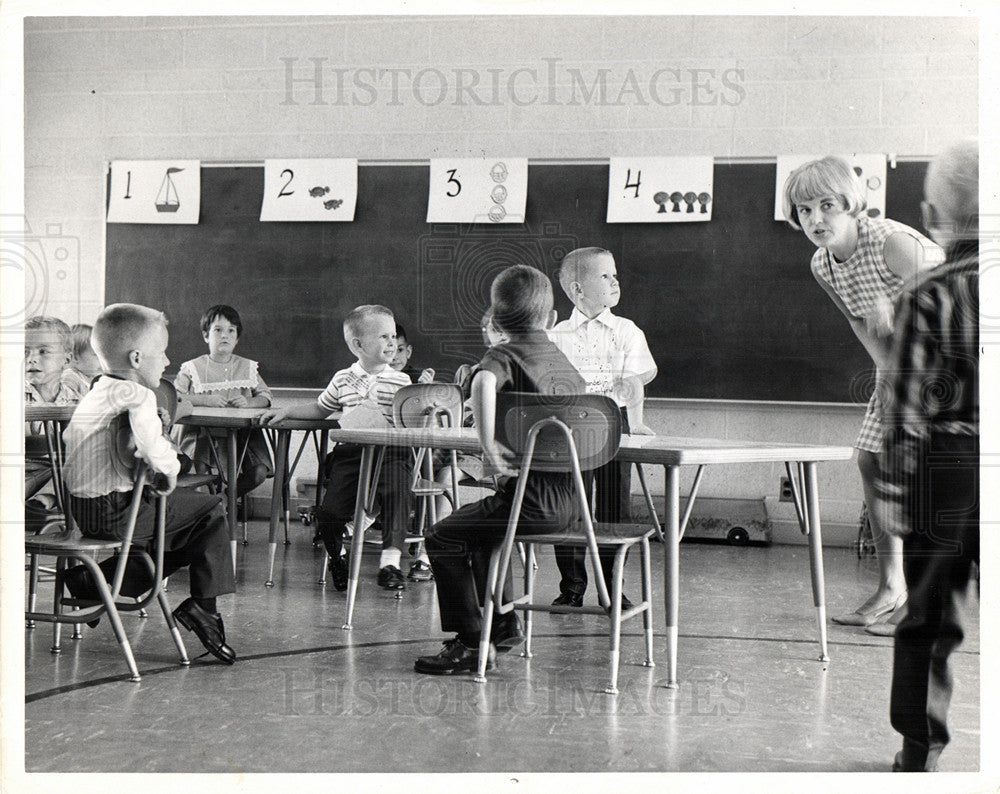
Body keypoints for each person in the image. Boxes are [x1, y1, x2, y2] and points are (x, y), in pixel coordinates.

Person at [782, 156, 944, 634]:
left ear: (851, 205)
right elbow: (858, 321)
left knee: (920, 473)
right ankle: (892, 587)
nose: (815, 219)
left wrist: (897, 311)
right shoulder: (822, 263)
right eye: (804, 210)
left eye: (826, 205)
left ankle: (925, 601)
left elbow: (952, 307)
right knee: (872, 461)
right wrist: (891, 373)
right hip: (901, 365)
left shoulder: (892, 242)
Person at [414, 264, 586, 676]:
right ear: (551, 318)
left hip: (529, 501)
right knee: (483, 535)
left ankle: (471, 643)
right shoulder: (559, 357)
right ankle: (502, 627)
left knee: (441, 534)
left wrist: (489, 443)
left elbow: (482, 382)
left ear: (497, 318)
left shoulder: (504, 353)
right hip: (573, 505)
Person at [877, 140, 979, 772]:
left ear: (929, 211)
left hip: (950, 467)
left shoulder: (928, 291)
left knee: (931, 610)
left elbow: (907, 404)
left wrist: (891, 490)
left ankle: (921, 747)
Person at [61, 304, 236, 664]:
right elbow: (152, 448)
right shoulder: (138, 395)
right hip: (115, 509)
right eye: (163, 353)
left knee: (192, 536)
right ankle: (204, 610)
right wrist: (171, 471)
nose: (168, 360)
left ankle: (93, 583)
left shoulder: (99, 389)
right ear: (138, 357)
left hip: (83, 509)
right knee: (211, 510)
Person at [260, 305, 415, 590]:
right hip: (352, 453)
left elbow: (409, 421)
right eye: (384, 337)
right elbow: (320, 409)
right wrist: (287, 411)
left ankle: (390, 563)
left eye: (393, 336)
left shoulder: (402, 381)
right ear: (358, 344)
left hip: (390, 453)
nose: (392, 343)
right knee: (330, 515)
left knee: (397, 493)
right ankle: (338, 556)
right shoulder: (343, 379)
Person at [547, 247, 656, 609]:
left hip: (614, 423)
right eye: (605, 276)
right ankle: (572, 587)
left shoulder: (626, 330)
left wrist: (635, 421)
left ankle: (612, 590)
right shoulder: (556, 335)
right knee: (569, 510)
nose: (615, 281)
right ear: (578, 290)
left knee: (614, 510)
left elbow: (636, 380)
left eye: (615, 274)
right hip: (569, 429)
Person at [174, 304, 273, 500]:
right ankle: (212, 507)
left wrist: (248, 401)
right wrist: (204, 400)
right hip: (202, 435)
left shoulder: (248, 367)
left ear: (237, 338)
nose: (224, 335)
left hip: (241, 436)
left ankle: (225, 499)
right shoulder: (191, 368)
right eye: (217, 330)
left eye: (231, 330)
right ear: (206, 336)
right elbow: (175, 397)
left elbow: (266, 397)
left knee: (259, 472)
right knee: (201, 474)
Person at [24, 316, 88, 530]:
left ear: (67, 360)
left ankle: (40, 504)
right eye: (25, 352)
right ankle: (41, 502)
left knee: (74, 463)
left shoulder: (80, 400)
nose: (31, 359)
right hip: (20, 473)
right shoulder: (9, 396)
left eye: (43, 351)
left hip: (58, 477)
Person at [65, 323, 102, 391]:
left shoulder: (89, 378)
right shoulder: (70, 378)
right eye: (96, 355)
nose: (102, 360)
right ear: (75, 357)